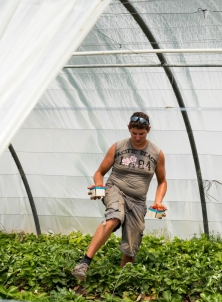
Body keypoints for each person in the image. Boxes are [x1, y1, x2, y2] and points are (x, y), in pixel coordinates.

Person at [71, 112, 167, 280]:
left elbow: (162, 182)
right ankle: (84, 263)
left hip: (138, 201)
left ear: (148, 130)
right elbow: (100, 172)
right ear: (128, 129)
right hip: (115, 189)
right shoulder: (118, 147)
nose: (137, 137)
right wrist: (99, 186)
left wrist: (158, 202)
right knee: (115, 217)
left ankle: (121, 283)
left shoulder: (157, 153)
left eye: (141, 134)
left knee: (131, 247)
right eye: (134, 133)